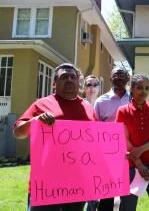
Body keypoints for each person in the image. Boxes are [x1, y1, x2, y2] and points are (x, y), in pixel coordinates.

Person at [13, 63, 96, 211]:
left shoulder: (88, 108)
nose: (69, 80)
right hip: (47, 185)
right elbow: (18, 132)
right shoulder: (41, 104)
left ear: (79, 82)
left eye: (73, 77)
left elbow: (97, 142)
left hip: (78, 185)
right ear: (54, 83)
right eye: (64, 77)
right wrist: (36, 120)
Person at [116, 73, 149, 211]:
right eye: (139, 87)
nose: (143, 91)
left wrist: (140, 150)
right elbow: (123, 139)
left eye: (146, 88)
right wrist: (138, 162)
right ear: (132, 88)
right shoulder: (123, 111)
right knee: (127, 208)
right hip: (131, 166)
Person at [94, 66, 130, 211]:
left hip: (129, 151)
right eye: (116, 75)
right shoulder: (101, 101)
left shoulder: (134, 99)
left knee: (127, 193)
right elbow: (94, 127)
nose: (119, 77)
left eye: (123, 75)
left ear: (128, 79)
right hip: (107, 153)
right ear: (110, 79)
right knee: (106, 193)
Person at [83, 75, 100, 211]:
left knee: (95, 191)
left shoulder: (103, 104)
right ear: (84, 88)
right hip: (81, 155)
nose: (92, 88)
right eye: (89, 85)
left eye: (95, 85)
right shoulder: (79, 105)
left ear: (99, 88)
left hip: (100, 155)